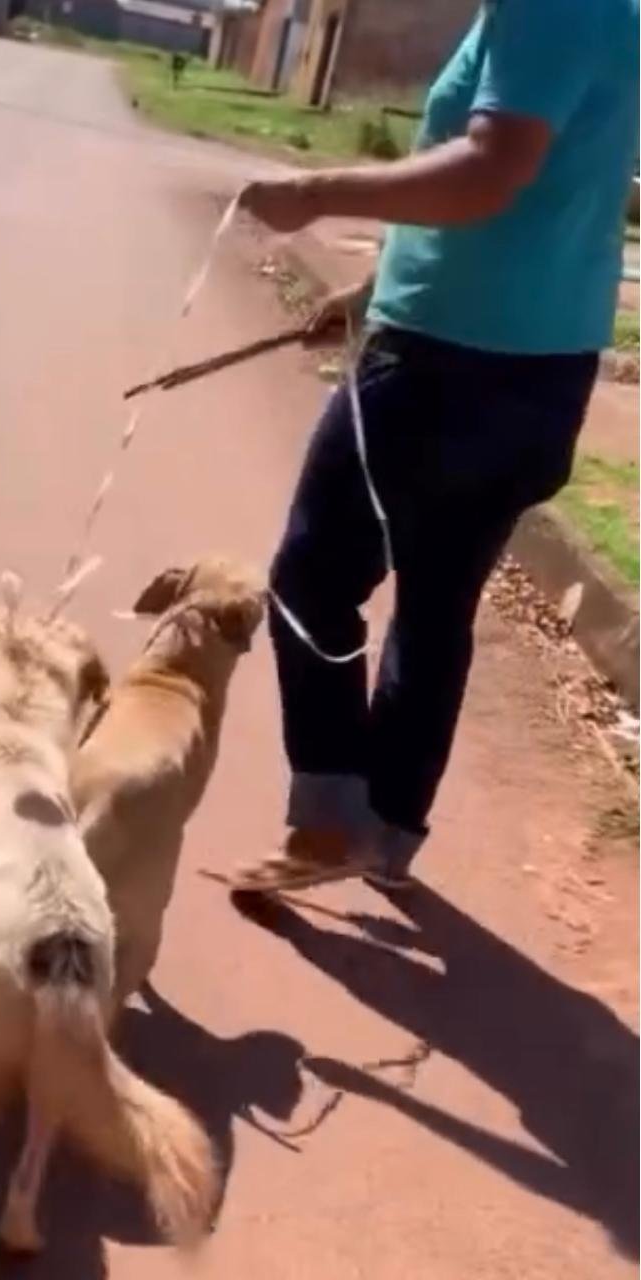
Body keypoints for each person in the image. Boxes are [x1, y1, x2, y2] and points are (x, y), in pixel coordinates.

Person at [233, 0, 639, 893]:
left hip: (448, 369)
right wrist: (375, 285)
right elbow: (544, 190)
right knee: (436, 603)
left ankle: (335, 824)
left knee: (312, 581)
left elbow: (489, 173)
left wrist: (316, 192)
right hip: (535, 370)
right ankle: (385, 830)